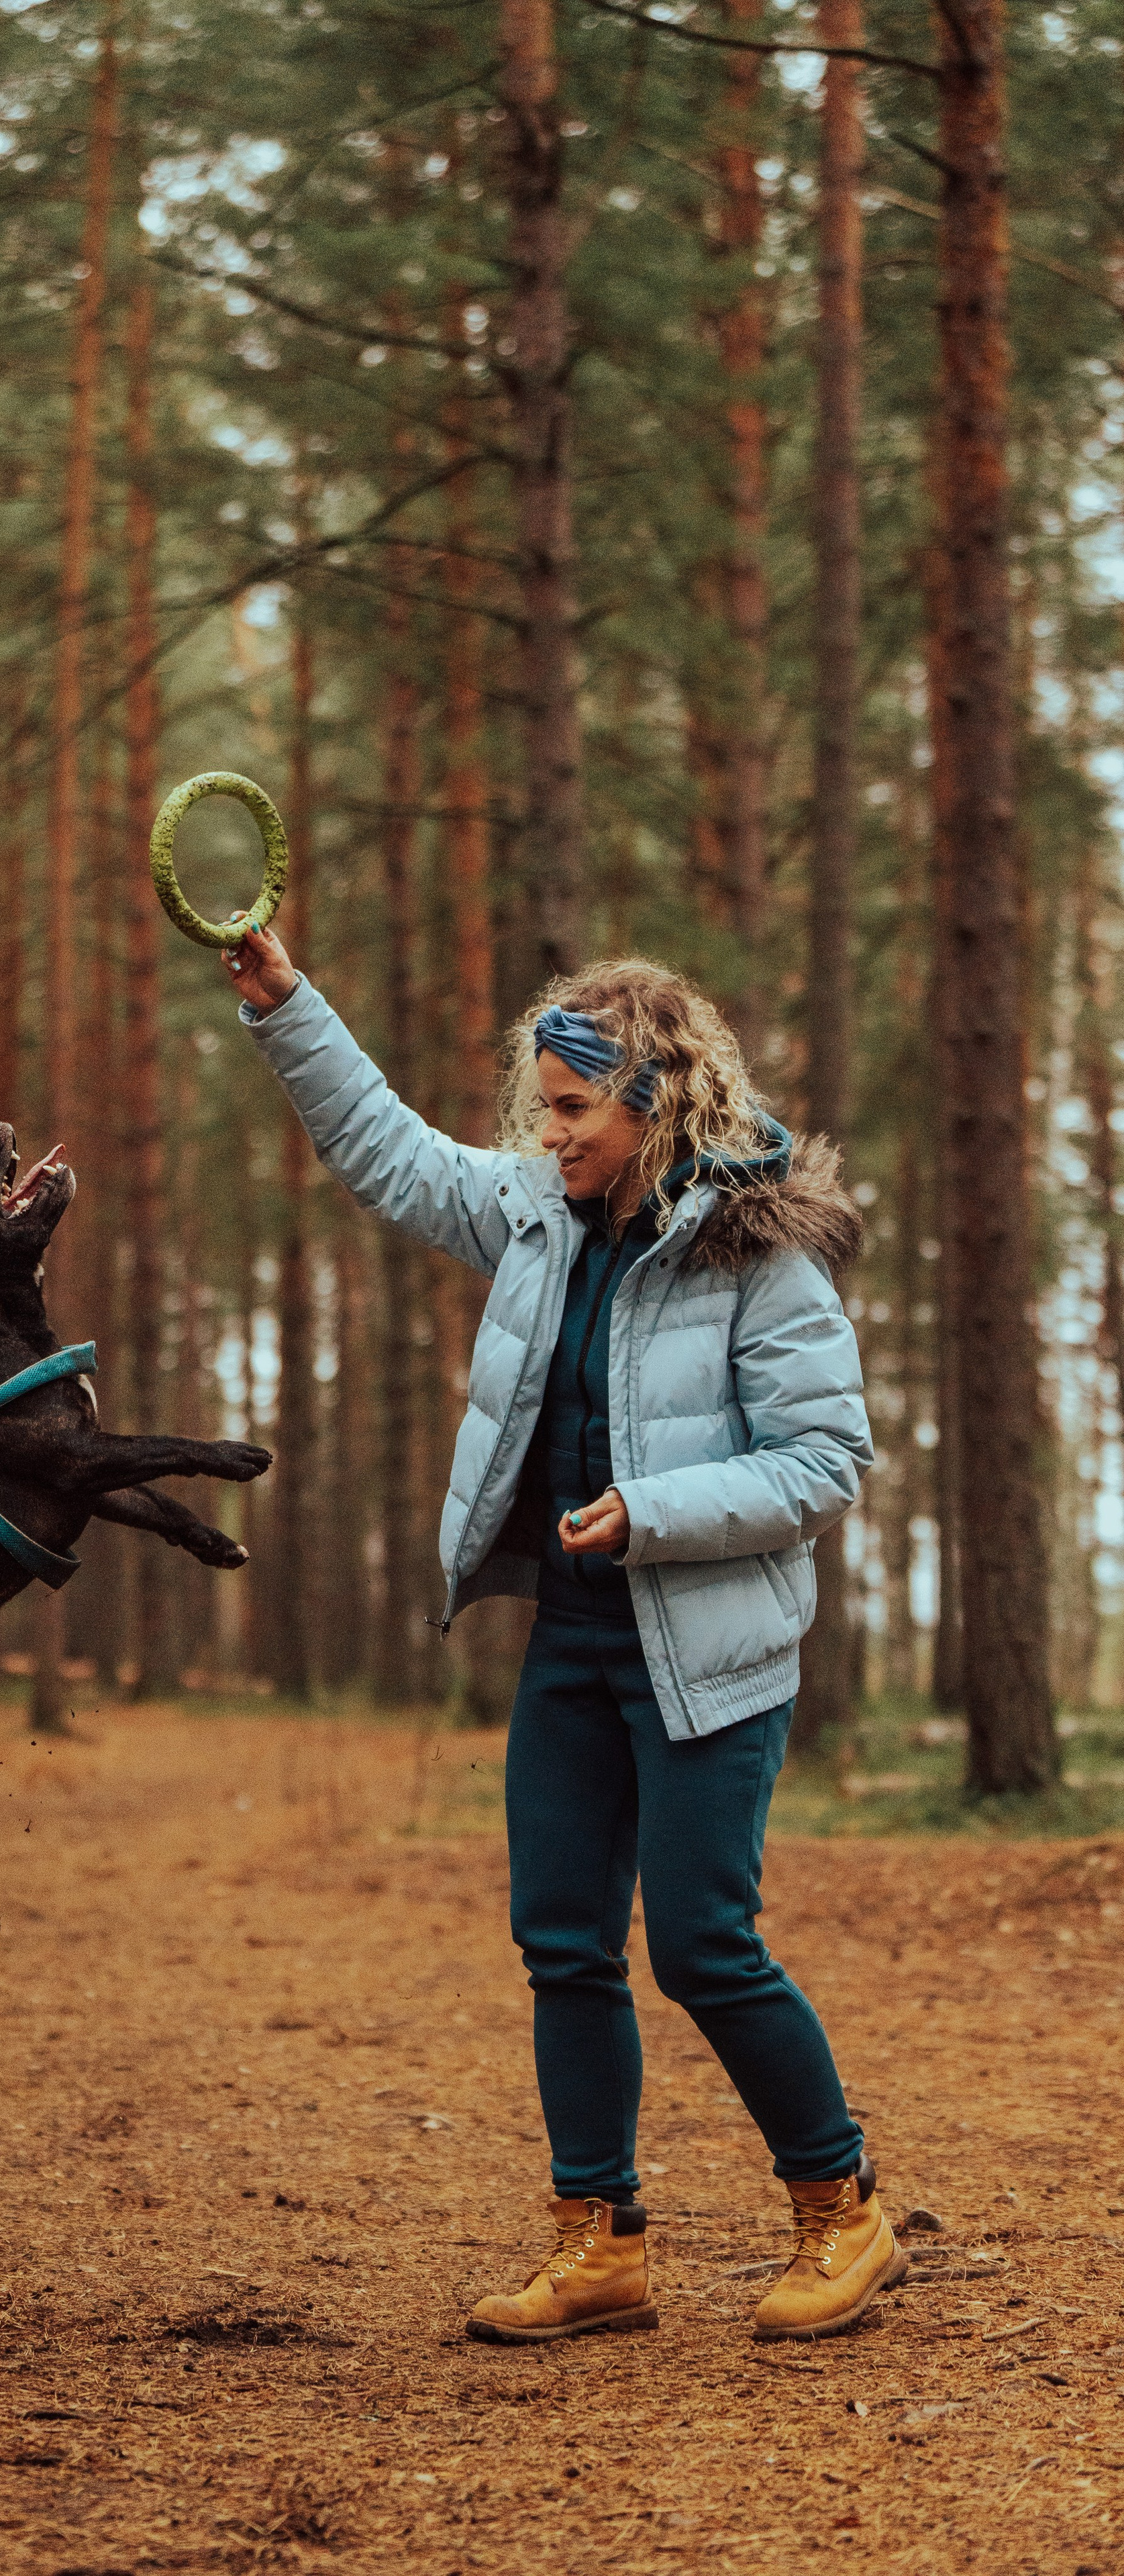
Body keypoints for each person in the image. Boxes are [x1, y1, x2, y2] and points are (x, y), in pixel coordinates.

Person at [223, 926, 901, 2345]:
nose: (549, 1131)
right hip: (575, 1651)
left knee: (702, 1941)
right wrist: (289, 1007)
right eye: (542, 1106)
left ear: (654, 1103)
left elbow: (822, 1462)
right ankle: (596, 2241)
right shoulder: (533, 1213)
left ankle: (842, 2211)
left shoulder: (753, 1253)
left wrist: (645, 1509)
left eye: (573, 1110)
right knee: (561, 1941)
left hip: (705, 1653)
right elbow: (390, 1153)